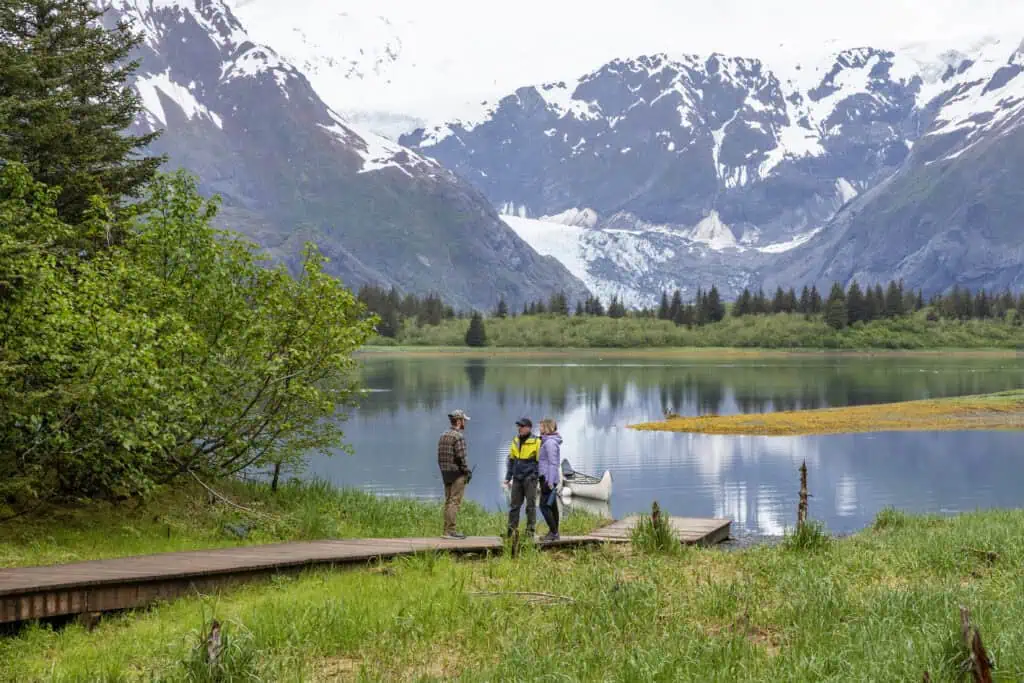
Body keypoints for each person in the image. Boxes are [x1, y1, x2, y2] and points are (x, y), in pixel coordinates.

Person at [437, 409, 471, 539]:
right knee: (454, 502)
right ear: (458, 421)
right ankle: (451, 531)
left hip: (445, 473)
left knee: (448, 501)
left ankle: (446, 530)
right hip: (457, 473)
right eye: (463, 420)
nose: (465, 423)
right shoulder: (458, 436)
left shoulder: (443, 435)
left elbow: (439, 456)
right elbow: (461, 457)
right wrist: (466, 472)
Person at [504, 417, 541, 538]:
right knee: (514, 506)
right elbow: (511, 460)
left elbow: (540, 462)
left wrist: (535, 476)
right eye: (518, 426)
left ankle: (530, 532)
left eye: (522, 426)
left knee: (530, 506)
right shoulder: (515, 440)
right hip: (517, 479)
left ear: (529, 428)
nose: (519, 428)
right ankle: (511, 531)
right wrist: (508, 477)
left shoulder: (537, 441)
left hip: (530, 479)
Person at [538, 418, 562, 541]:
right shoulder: (547, 441)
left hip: (548, 478)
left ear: (547, 428)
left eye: (541, 427)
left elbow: (553, 463)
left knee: (543, 506)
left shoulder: (550, 443)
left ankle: (554, 532)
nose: (539, 429)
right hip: (548, 477)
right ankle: (554, 532)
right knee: (552, 506)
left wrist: (550, 481)